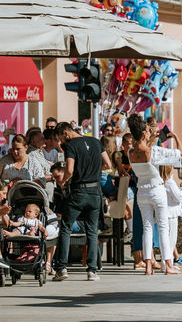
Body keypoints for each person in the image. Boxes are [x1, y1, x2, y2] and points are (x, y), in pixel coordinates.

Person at [53, 121, 111, 282]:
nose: (61, 142)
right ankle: (92, 270)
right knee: (92, 231)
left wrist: (64, 182)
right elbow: (108, 164)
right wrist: (93, 171)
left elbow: (70, 170)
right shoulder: (96, 141)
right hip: (95, 192)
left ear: (65, 133)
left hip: (78, 191)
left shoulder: (71, 146)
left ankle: (61, 268)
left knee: (66, 228)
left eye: (60, 138)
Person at [127, 114, 182, 275]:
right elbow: (181, 153)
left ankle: (148, 266)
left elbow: (142, 148)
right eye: (148, 131)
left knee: (147, 228)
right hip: (157, 191)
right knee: (163, 227)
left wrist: (151, 139)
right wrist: (175, 136)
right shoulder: (154, 151)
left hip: (142, 192)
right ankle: (169, 265)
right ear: (144, 133)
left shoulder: (131, 152)